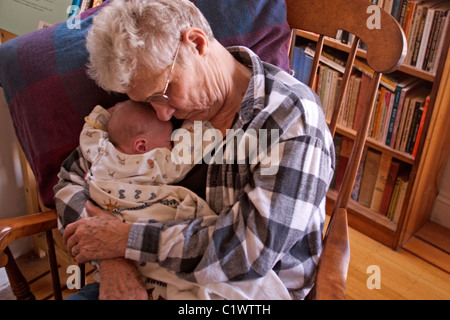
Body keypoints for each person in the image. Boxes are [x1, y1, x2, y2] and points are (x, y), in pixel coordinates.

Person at [54, 0, 335, 300]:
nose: (162, 115)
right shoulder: (156, 110)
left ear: (197, 43)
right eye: (149, 101)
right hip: (143, 274)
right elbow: (72, 180)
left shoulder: (289, 120)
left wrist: (125, 240)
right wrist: (112, 259)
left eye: (164, 92)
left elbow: (248, 252)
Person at [79, 100, 291, 299]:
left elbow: (89, 131)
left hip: (113, 220)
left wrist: (104, 115)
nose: (172, 146)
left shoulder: (99, 153)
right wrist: (203, 127)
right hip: (145, 232)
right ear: (142, 147)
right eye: (169, 141)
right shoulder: (153, 163)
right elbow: (186, 155)